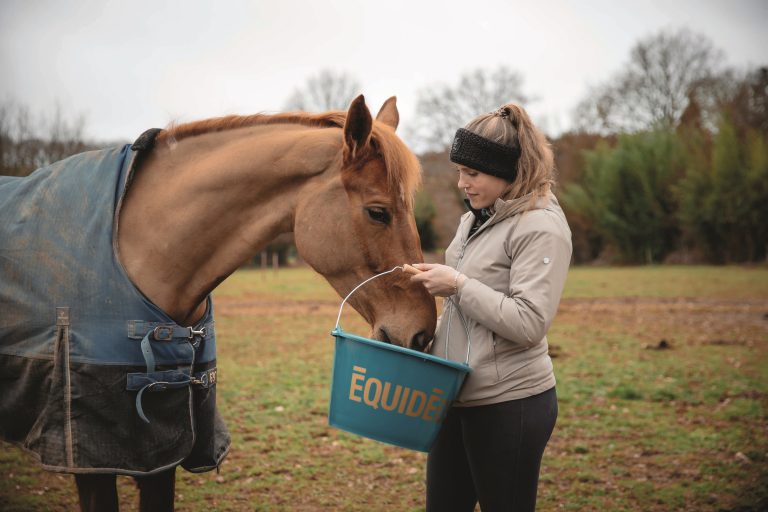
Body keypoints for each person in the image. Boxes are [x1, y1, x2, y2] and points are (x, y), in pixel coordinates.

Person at [410, 103, 572, 512]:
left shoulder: (541, 226)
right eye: (460, 172)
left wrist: (457, 284)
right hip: (455, 396)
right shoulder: (475, 219)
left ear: (508, 171)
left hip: (510, 404)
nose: (462, 183)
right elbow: (468, 311)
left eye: (472, 173)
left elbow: (529, 321)